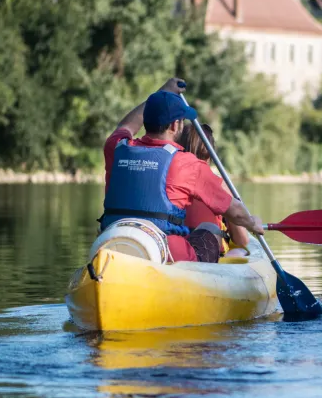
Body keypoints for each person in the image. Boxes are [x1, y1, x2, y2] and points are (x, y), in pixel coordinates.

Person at [100, 78, 263, 262]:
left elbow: (126, 126)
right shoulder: (186, 163)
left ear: (145, 119)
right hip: (166, 253)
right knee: (209, 231)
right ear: (175, 125)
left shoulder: (117, 147)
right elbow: (233, 210)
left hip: (110, 243)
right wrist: (252, 223)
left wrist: (163, 91)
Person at [178, 121, 251, 262]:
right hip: (208, 253)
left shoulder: (170, 180)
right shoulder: (220, 185)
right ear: (210, 153)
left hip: (176, 249)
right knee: (240, 250)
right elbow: (242, 240)